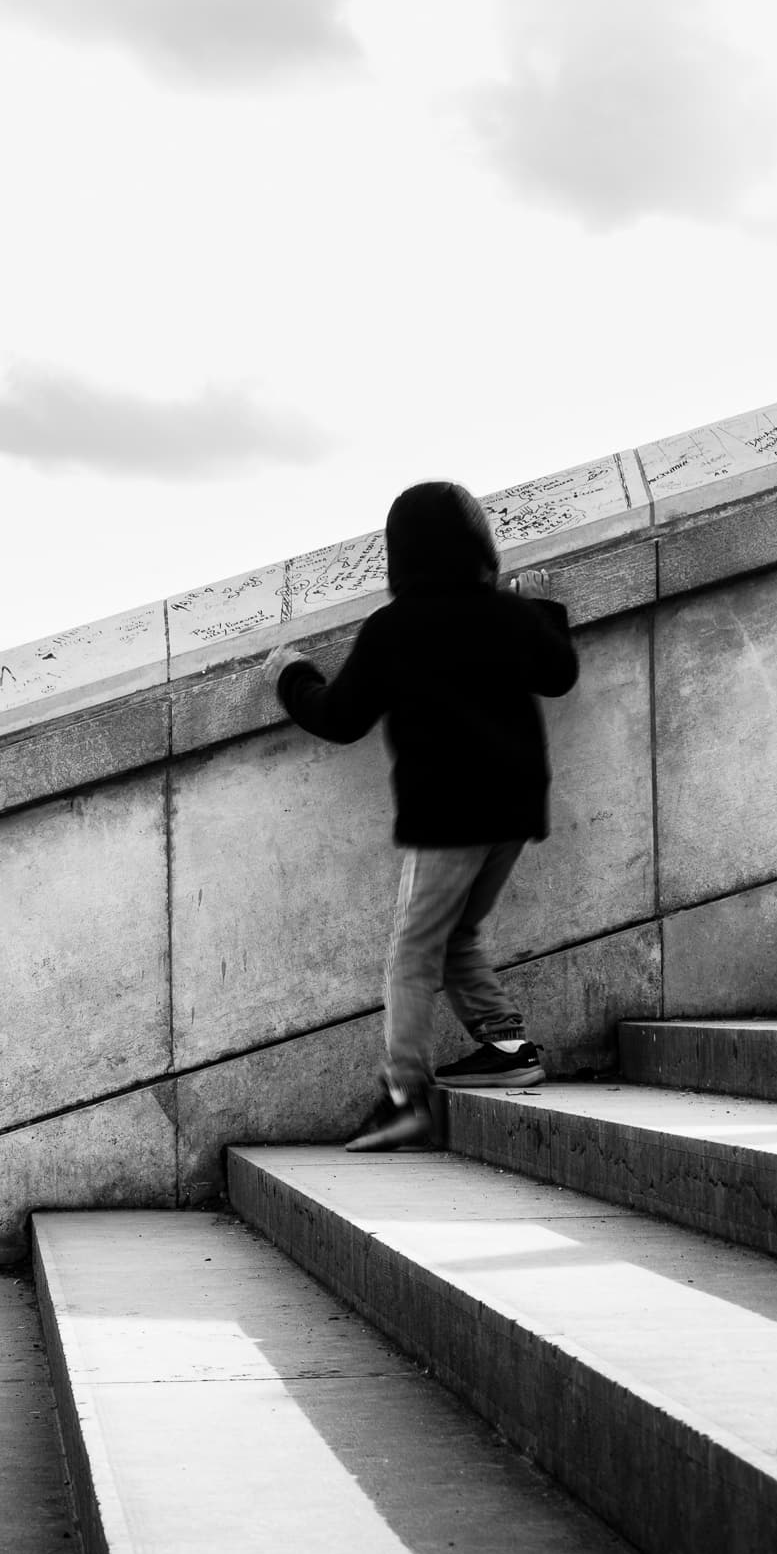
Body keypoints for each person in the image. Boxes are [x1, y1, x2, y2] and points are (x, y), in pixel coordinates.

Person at [276, 478, 578, 1151]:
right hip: (516, 807)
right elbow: (558, 673)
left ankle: (404, 1095)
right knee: (457, 935)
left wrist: (291, 675)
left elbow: (339, 717)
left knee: (412, 953)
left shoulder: (395, 627)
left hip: (448, 813)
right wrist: (540, 608)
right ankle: (507, 1047)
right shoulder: (503, 613)